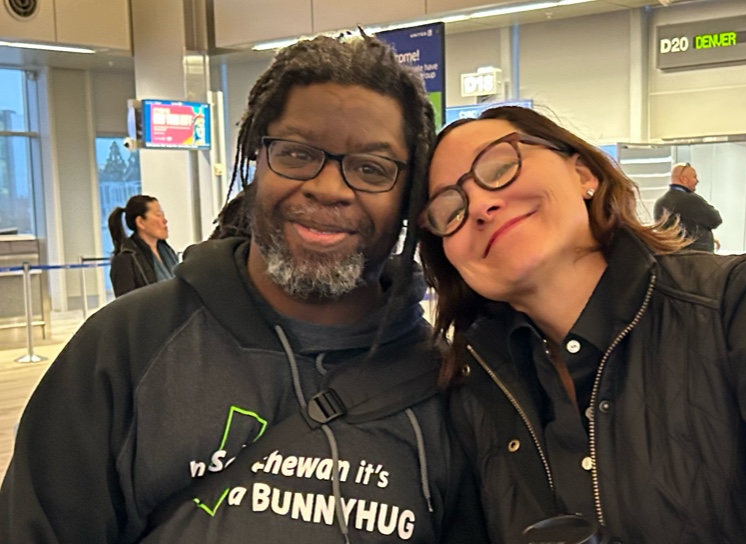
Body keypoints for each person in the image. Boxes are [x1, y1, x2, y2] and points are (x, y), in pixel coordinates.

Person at [0, 34, 488, 543]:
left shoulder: (445, 382)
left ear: (409, 195)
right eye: (298, 154)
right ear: (256, 159)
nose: (329, 187)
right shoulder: (128, 344)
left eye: (371, 168)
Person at [418, 106, 746, 544]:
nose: (482, 205)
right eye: (450, 210)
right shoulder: (473, 392)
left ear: (584, 173)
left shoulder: (745, 304)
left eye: (501, 166)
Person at [108, 194, 180, 296]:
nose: (165, 220)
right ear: (140, 222)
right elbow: (126, 306)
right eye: (158, 215)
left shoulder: (167, 251)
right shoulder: (126, 259)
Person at [653, 162, 722, 252]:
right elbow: (715, 220)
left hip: (671, 259)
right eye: (694, 177)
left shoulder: (660, 203)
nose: (697, 181)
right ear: (684, 179)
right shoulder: (692, 200)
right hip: (695, 258)